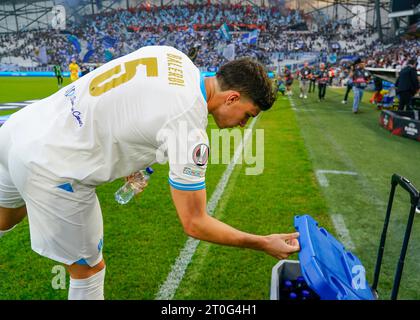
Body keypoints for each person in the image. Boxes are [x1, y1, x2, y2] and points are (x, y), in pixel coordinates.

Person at [0, 46, 300, 300]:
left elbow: (126, 102)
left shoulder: (173, 56)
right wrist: (261, 242)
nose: (243, 125)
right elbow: (195, 223)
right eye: (247, 115)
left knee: (4, 218)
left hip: (20, 127)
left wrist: (128, 162)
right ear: (232, 98)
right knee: (88, 271)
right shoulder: (190, 129)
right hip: (50, 165)